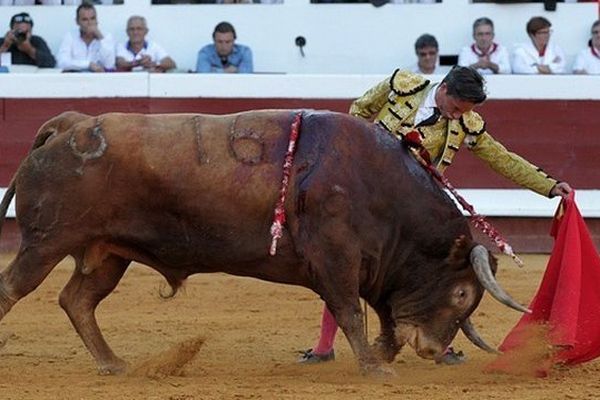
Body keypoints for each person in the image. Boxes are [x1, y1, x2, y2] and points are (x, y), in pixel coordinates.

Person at [298, 66, 572, 365]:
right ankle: (324, 346)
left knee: (427, 275)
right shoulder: (402, 84)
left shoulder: (467, 123)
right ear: (443, 89)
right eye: (455, 108)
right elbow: (358, 112)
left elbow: (502, 159)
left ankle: (439, 344)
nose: (456, 116)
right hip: (367, 200)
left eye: (462, 112)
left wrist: (548, 186)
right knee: (345, 266)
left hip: (412, 211)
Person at [57, 3, 115, 72]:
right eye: (85, 19)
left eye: (92, 18)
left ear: (97, 20)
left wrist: (100, 37)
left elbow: (109, 65)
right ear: (77, 22)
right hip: (75, 80)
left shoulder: (106, 37)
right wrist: (88, 64)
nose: (90, 23)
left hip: (99, 80)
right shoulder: (70, 36)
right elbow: (62, 62)